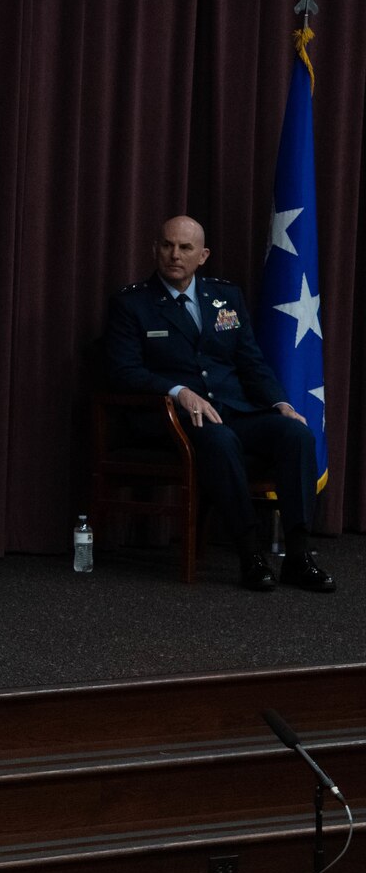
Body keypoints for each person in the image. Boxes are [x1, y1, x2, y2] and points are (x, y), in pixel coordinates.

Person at [103, 215, 334, 593]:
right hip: (172, 420)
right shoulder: (132, 304)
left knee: (295, 435)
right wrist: (178, 390)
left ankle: (298, 555)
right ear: (155, 249)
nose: (174, 255)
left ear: (203, 255)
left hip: (233, 409)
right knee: (220, 440)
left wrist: (280, 403)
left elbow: (250, 362)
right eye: (166, 245)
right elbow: (122, 371)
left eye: (185, 247)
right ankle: (250, 554)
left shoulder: (226, 296)